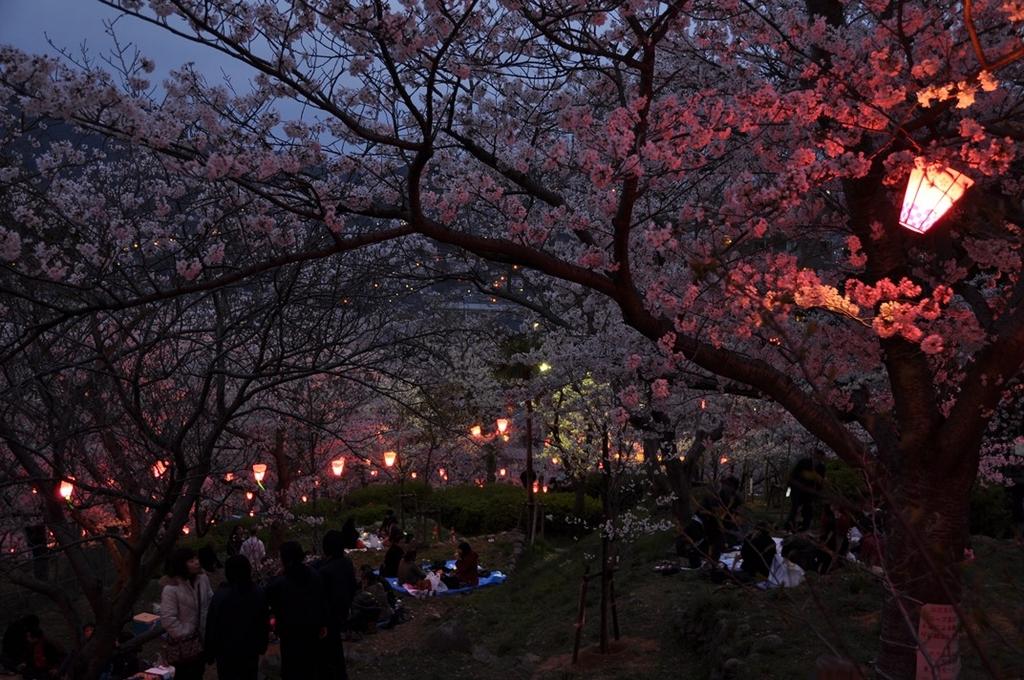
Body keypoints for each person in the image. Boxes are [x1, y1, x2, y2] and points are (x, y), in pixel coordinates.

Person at [265, 541, 328, 680]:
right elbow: (321, 600)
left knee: (291, 667)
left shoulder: (281, 581)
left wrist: (275, 576)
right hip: (312, 628)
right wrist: (322, 623)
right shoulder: (313, 575)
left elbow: (267, 595)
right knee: (310, 666)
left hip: (290, 631)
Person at [204, 555, 269, 680]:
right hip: (250, 649)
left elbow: (212, 625)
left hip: (226, 652)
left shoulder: (221, 596)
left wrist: (210, 652)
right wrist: (262, 645)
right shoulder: (257, 593)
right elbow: (263, 622)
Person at [160, 547, 213, 680]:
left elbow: (210, 600)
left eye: (196, 559)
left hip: (201, 639)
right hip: (183, 646)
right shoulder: (171, 589)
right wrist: (186, 632)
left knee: (199, 672)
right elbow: (168, 618)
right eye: (191, 560)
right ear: (181, 564)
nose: (196, 562)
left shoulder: (202, 579)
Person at [317, 530, 357, 680]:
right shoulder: (347, 563)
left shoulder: (325, 571)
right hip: (343, 611)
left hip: (329, 617)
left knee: (328, 653)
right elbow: (353, 587)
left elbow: (322, 599)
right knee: (336, 650)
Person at [785, 450, 826, 532]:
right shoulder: (804, 462)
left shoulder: (822, 467)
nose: (819, 458)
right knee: (795, 507)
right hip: (797, 489)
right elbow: (794, 473)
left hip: (809, 491)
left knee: (808, 509)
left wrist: (817, 493)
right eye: (818, 455)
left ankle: (804, 527)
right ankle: (789, 526)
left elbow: (820, 482)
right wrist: (789, 488)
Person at [347, 566, 392, 634]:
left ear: (367, 580)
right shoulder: (379, 585)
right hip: (386, 612)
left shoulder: (368, 591)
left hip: (379, 616)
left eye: (363, 579)